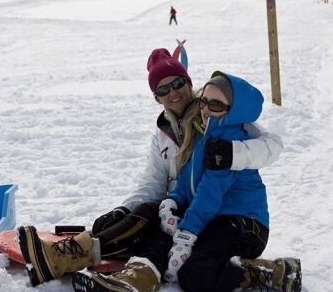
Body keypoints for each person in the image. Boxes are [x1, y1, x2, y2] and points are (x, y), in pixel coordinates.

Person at [16, 48, 284, 287]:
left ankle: (71, 254)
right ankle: (125, 273)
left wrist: (232, 153)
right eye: (162, 90)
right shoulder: (166, 133)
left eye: (178, 83)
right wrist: (125, 208)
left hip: (216, 212)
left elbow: (270, 145)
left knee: (156, 226)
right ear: (156, 97)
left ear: (189, 83)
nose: (173, 93)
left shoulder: (218, 112)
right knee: (146, 219)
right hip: (184, 207)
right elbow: (153, 181)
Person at [72, 72, 301, 292]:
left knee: (195, 273)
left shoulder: (231, 141)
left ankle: (276, 272)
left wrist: (187, 233)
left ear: (234, 111)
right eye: (204, 102)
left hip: (244, 225)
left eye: (217, 105)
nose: (206, 110)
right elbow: (185, 179)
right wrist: (171, 203)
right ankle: (134, 279)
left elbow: (210, 193)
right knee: (160, 238)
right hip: (213, 219)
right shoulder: (204, 138)